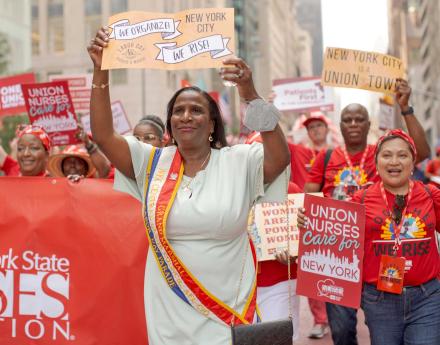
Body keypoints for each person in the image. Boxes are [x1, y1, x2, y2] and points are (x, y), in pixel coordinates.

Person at [87, 27, 290, 345]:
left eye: (196, 110)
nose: (186, 116)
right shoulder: (150, 163)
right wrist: (101, 70)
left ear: (211, 124)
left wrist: (250, 93)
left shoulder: (239, 161)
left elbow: (280, 156)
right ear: (170, 124)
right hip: (169, 315)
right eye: (178, 111)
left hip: (227, 314)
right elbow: (102, 136)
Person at [304, 79, 430, 345]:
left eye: (359, 119)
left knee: (385, 327)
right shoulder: (325, 159)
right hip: (337, 255)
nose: (353, 124)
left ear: (368, 124)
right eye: (347, 120)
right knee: (341, 330)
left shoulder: (384, 154)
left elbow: (422, 152)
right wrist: (305, 220)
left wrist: (406, 108)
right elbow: (307, 200)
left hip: (379, 249)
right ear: (339, 126)